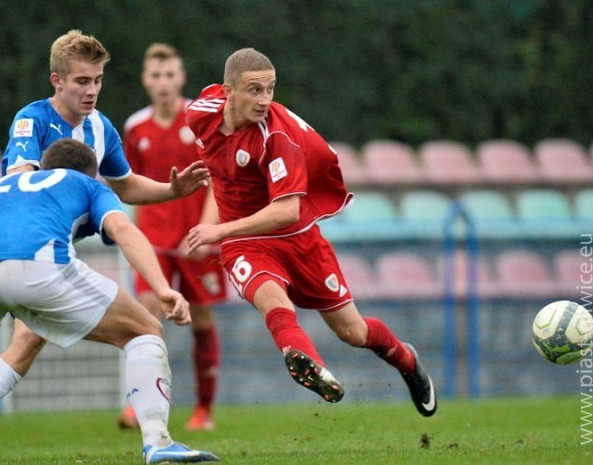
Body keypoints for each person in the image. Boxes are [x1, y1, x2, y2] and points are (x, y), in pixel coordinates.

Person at [0, 30, 209, 456]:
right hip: (5, 242)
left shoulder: (101, 127)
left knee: (28, 340)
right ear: (57, 80)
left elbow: (125, 183)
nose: (91, 90)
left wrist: (171, 190)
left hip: (43, 257)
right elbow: (24, 184)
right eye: (81, 81)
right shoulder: (32, 119)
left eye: (97, 80)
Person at [0, 138, 219, 465]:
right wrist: (162, 288)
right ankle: (158, 442)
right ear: (91, 173)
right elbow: (123, 229)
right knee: (145, 329)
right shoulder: (87, 185)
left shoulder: (0, 188)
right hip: (39, 266)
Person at [184, 48, 436, 417]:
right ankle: (307, 362)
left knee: (353, 332)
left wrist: (218, 229)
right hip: (246, 243)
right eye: (254, 90)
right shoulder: (199, 114)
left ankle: (407, 361)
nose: (265, 99)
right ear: (228, 92)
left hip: (298, 239)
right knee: (274, 301)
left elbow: (287, 212)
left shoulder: (276, 138)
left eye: (270, 89)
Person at [118, 43, 225, 431]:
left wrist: (206, 232)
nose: (163, 82)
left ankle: (204, 410)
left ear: (181, 78)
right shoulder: (135, 128)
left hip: (197, 239)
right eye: (156, 75)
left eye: (169, 75)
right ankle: (142, 404)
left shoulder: (201, 119)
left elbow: (219, 180)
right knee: (147, 313)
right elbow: (129, 185)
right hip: (154, 242)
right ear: (145, 80)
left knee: (201, 318)